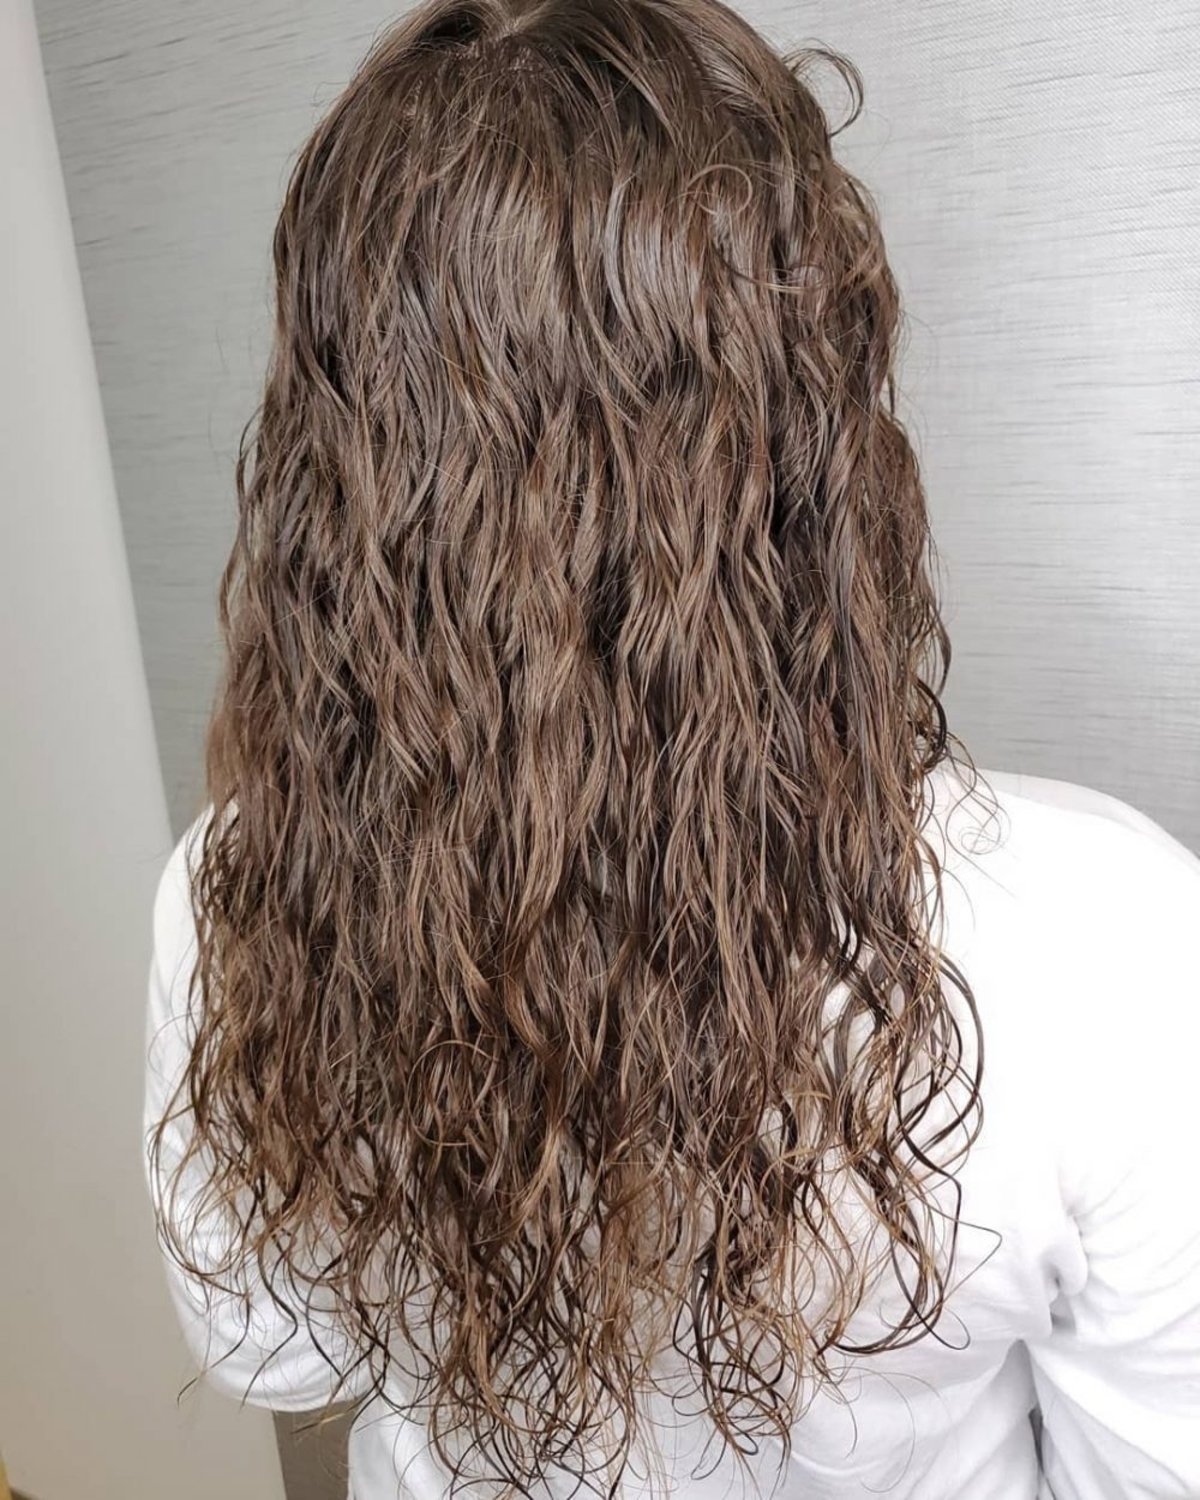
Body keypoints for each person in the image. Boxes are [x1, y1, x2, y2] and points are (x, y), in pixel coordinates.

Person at [142, 1, 1200, 1496]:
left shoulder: (239, 893)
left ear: (344, 469)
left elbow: (273, 1354)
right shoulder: (1105, 936)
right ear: (819, 426)